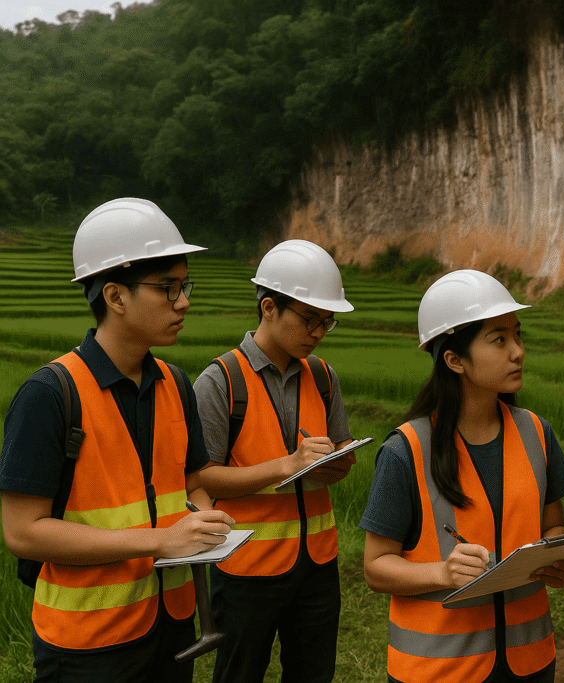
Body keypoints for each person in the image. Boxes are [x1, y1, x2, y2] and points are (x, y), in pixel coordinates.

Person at [0, 197, 234, 682]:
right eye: (168, 288)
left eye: (184, 286)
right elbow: (22, 532)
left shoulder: (176, 383)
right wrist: (162, 540)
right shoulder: (50, 394)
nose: (184, 302)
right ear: (115, 295)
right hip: (88, 644)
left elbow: (193, 482)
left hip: (171, 623)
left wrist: (202, 517)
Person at [361, 269, 564, 683]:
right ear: (454, 359)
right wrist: (441, 573)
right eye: (499, 340)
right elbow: (375, 568)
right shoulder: (406, 451)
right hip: (440, 671)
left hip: (529, 663)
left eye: (518, 335)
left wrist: (557, 556)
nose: (517, 351)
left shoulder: (537, 433)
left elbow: (553, 525)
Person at [193, 239, 356, 683]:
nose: (319, 331)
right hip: (246, 568)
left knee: (313, 672)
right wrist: (287, 465)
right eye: (309, 319)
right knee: (240, 673)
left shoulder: (323, 377)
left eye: (328, 322)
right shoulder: (220, 380)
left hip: (318, 564)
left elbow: (338, 449)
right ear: (268, 307)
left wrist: (340, 462)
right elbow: (202, 478)